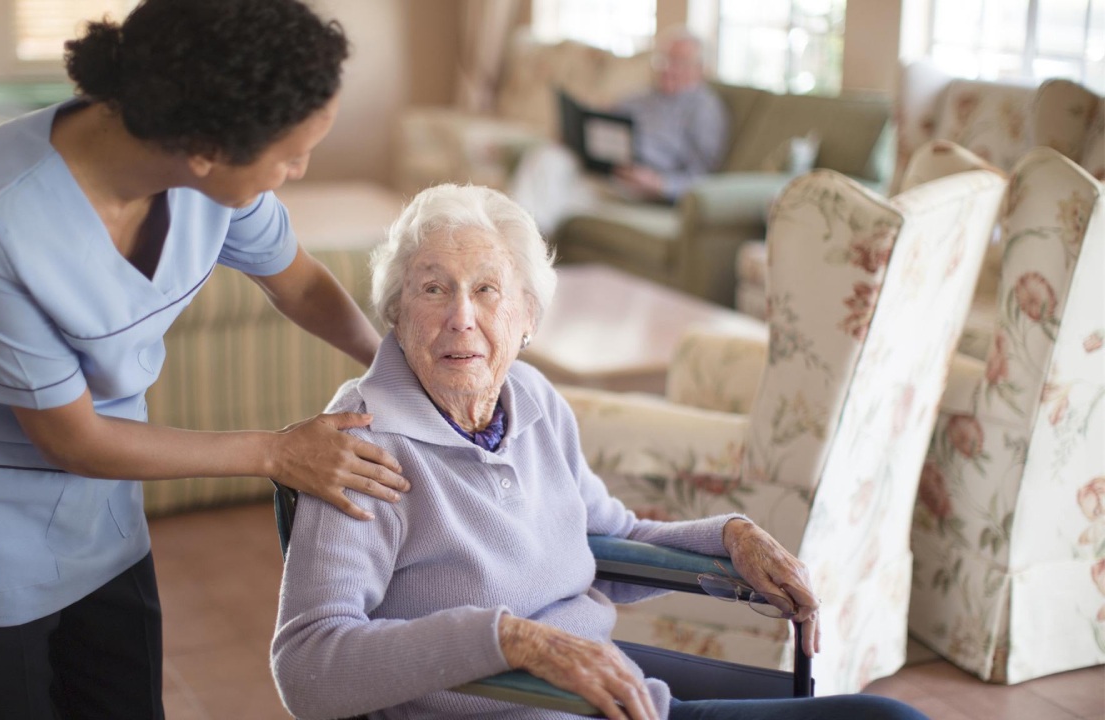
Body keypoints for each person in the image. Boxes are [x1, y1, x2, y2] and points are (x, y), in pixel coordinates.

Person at [0, 1, 409, 717]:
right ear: (204, 150)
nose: (298, 170)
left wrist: (397, 367)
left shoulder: (209, 182)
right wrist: (278, 453)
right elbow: (71, 436)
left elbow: (300, 282)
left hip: (104, 512)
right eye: (288, 155)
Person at [271, 184, 926, 720]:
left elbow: (604, 543)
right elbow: (308, 666)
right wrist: (511, 640)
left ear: (528, 316)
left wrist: (728, 537)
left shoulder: (532, 401)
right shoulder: (359, 444)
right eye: (433, 288)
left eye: (487, 290)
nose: (461, 317)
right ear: (396, 312)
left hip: (610, 687)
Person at [508, 27, 731, 235]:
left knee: (553, 197)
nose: (667, 68)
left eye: (678, 62)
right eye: (663, 60)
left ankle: (514, 248)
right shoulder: (642, 98)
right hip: (604, 171)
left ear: (700, 68)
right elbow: (601, 120)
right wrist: (575, 134)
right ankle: (513, 242)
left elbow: (703, 177)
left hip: (641, 188)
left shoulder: (705, 109)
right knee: (547, 157)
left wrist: (659, 184)